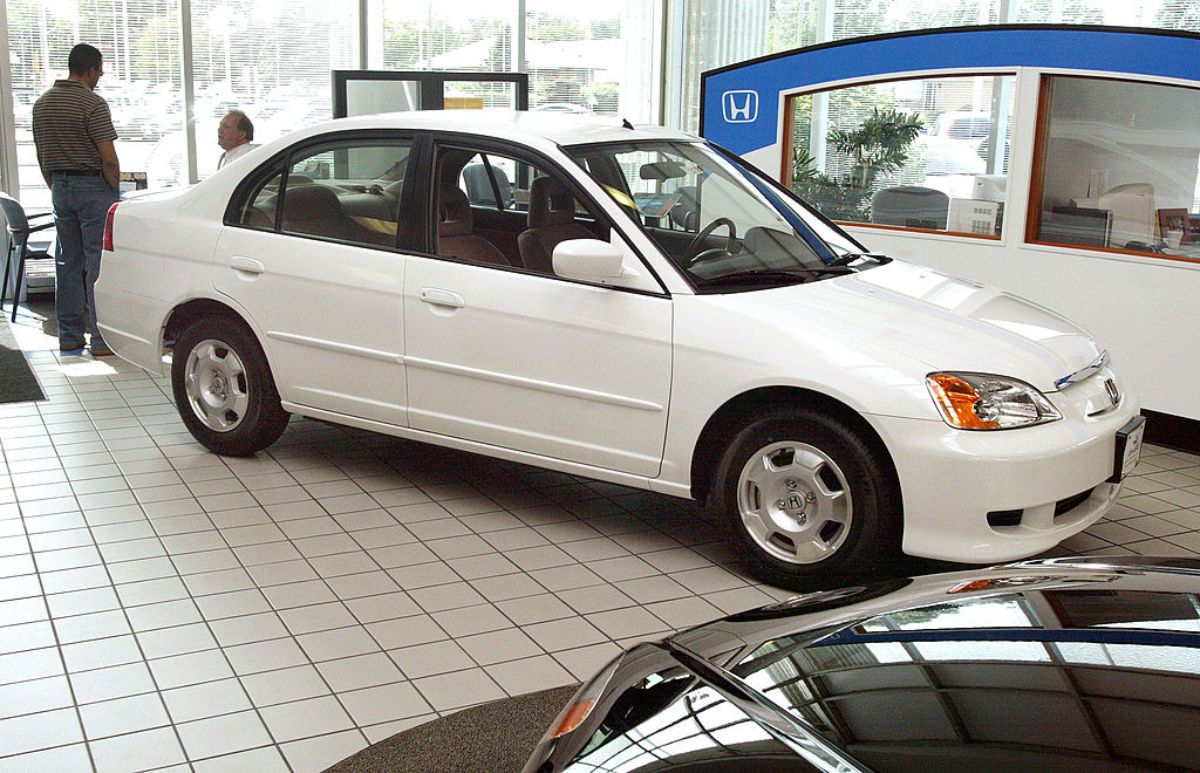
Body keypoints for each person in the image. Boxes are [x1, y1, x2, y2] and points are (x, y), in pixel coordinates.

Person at [32, 43, 120, 356]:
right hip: (93, 188)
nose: (100, 77)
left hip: (60, 187)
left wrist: (56, 185)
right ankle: (100, 339)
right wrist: (113, 191)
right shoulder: (92, 103)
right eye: (100, 71)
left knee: (67, 262)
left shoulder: (42, 104)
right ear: (91, 70)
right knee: (97, 263)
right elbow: (108, 157)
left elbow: (42, 155)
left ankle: (69, 335)